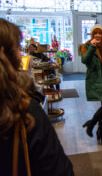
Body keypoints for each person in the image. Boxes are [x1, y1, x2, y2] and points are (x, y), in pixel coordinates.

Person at [0, 18, 74, 176]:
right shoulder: (23, 110)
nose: (21, 56)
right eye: (18, 48)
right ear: (6, 56)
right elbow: (58, 169)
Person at [79, 24, 102, 143]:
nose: (98, 35)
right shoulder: (86, 46)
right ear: (92, 35)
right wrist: (92, 47)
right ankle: (91, 124)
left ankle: (100, 133)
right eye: (96, 33)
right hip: (96, 81)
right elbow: (85, 60)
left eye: (100, 33)